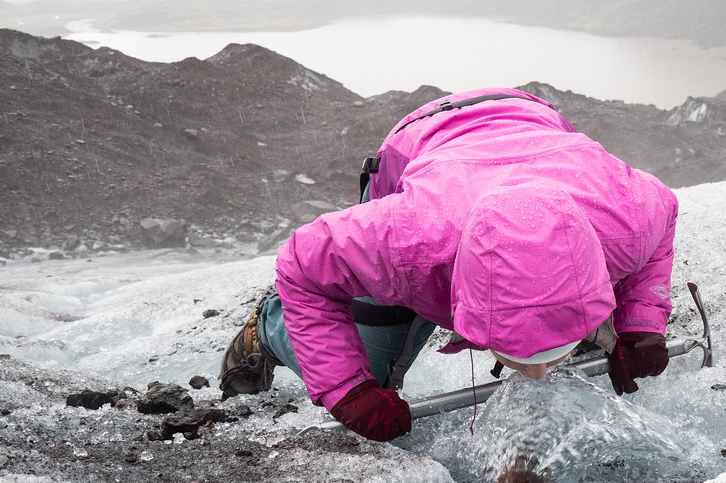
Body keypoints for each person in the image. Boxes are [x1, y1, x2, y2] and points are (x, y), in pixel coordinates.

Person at [219, 87, 678, 443]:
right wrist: (345, 391)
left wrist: (639, 325)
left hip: (529, 123)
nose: (536, 375)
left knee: (572, 339)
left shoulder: (628, 223)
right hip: (419, 144)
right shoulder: (409, 245)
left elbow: (664, 220)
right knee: (375, 371)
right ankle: (269, 331)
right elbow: (303, 263)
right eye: (521, 354)